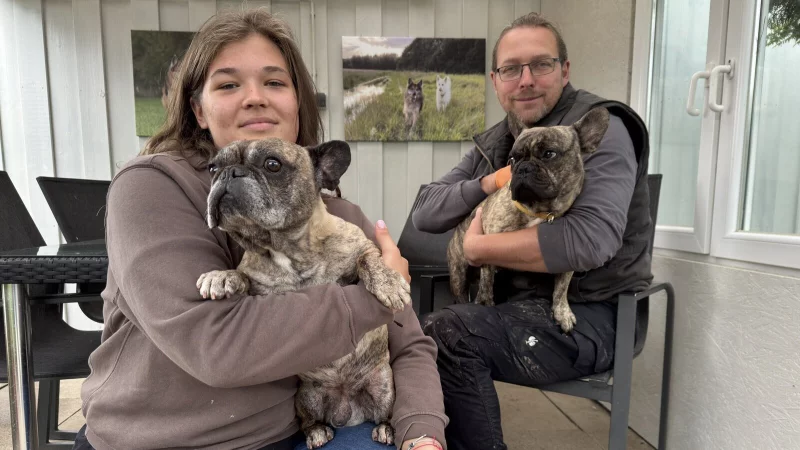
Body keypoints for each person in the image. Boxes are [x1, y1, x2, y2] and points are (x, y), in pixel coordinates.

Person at [74, 8, 446, 450]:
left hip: (301, 427)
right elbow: (215, 346)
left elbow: (408, 344)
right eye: (228, 84)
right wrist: (371, 300)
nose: (254, 97)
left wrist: (422, 432)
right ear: (198, 109)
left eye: (274, 82)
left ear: (297, 103)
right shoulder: (150, 186)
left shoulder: (337, 217)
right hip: (163, 440)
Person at [413, 12, 652, 450]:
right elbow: (425, 214)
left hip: (590, 312)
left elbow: (590, 240)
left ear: (565, 69)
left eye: (540, 65)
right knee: (412, 331)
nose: (525, 80)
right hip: (513, 304)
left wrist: (482, 248)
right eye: (510, 69)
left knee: (446, 335)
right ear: (495, 79)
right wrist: (491, 181)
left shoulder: (601, 129)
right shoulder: (502, 141)